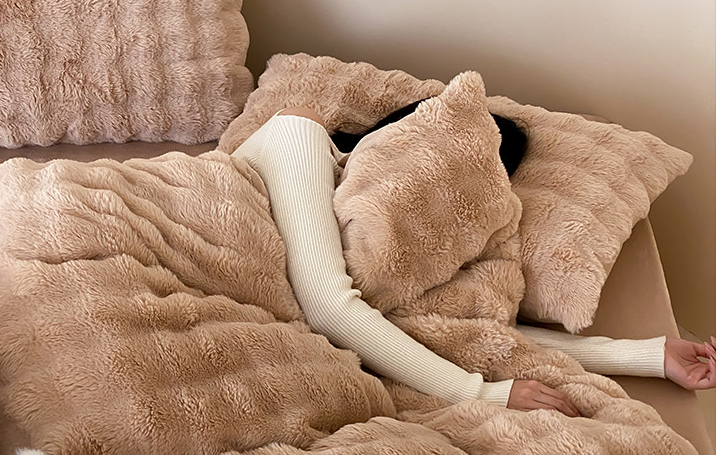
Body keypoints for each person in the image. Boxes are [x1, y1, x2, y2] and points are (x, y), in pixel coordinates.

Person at [232, 105, 716, 417]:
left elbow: (453, 332)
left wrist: (649, 356)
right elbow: (328, 305)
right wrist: (477, 394)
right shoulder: (300, 133)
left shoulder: (400, 243)